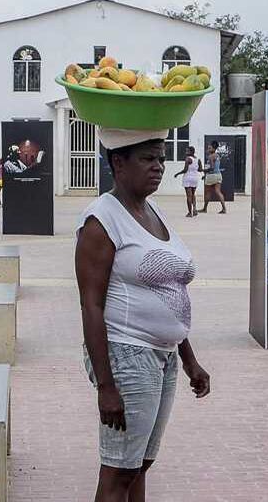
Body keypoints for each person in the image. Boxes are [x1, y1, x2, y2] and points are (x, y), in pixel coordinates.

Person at [75, 128, 211, 502]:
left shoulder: (153, 212)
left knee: (140, 466)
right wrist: (106, 386)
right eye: (148, 159)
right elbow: (91, 305)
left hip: (163, 357)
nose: (159, 167)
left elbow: (168, 291)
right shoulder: (101, 221)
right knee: (120, 471)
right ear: (118, 162)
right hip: (126, 355)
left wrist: (189, 359)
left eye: (161, 158)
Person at [173, 146, 203, 217]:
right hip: (195, 178)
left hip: (187, 178)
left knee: (188, 196)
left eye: (187, 151)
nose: (186, 152)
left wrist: (177, 174)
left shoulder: (188, 159)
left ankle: (190, 213)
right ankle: (195, 210)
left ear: (191, 152)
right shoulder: (198, 159)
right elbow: (200, 169)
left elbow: (185, 170)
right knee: (193, 194)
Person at [200, 141, 226, 214]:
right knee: (218, 192)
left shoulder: (211, 156)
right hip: (218, 175)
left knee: (208, 192)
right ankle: (224, 208)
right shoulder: (217, 155)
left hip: (211, 176)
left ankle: (205, 208)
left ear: (213, 148)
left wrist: (203, 170)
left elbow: (211, 168)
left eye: (209, 148)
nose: (208, 149)